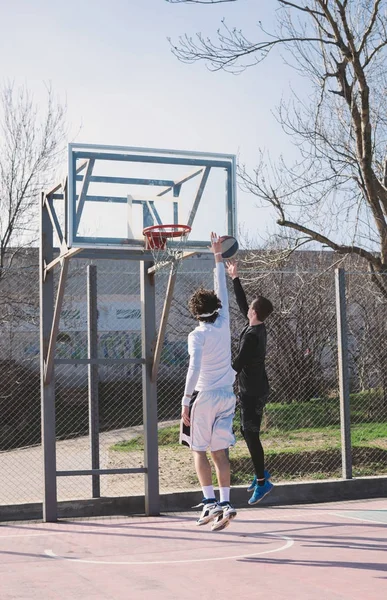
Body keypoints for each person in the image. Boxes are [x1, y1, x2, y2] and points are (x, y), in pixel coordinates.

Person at [180, 233, 237, 532]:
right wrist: (218, 257)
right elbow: (221, 291)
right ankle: (226, 502)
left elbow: (193, 367)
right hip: (227, 396)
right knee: (220, 452)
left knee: (197, 450)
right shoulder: (224, 323)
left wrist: (185, 401)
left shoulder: (197, 335)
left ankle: (208, 501)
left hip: (203, 397)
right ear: (215, 307)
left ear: (195, 313)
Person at [226, 260, 274, 505]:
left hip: (253, 391)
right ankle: (261, 474)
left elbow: (238, 363)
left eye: (250, 309)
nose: (247, 310)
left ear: (254, 314)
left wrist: (219, 377)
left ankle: (263, 483)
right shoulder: (257, 325)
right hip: (254, 388)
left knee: (251, 434)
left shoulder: (252, 337)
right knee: (247, 431)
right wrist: (235, 278)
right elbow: (243, 303)